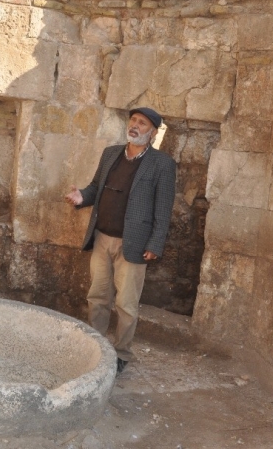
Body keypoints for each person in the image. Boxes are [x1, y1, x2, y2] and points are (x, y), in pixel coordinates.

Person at [64, 107, 176, 374]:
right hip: (102, 237)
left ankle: (122, 354)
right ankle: (95, 347)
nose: (135, 126)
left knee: (126, 303)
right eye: (133, 121)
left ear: (152, 132)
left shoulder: (162, 164)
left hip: (134, 243)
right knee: (98, 296)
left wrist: (155, 243)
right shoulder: (111, 154)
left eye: (142, 123)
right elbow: (95, 187)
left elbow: (163, 208)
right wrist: (83, 197)